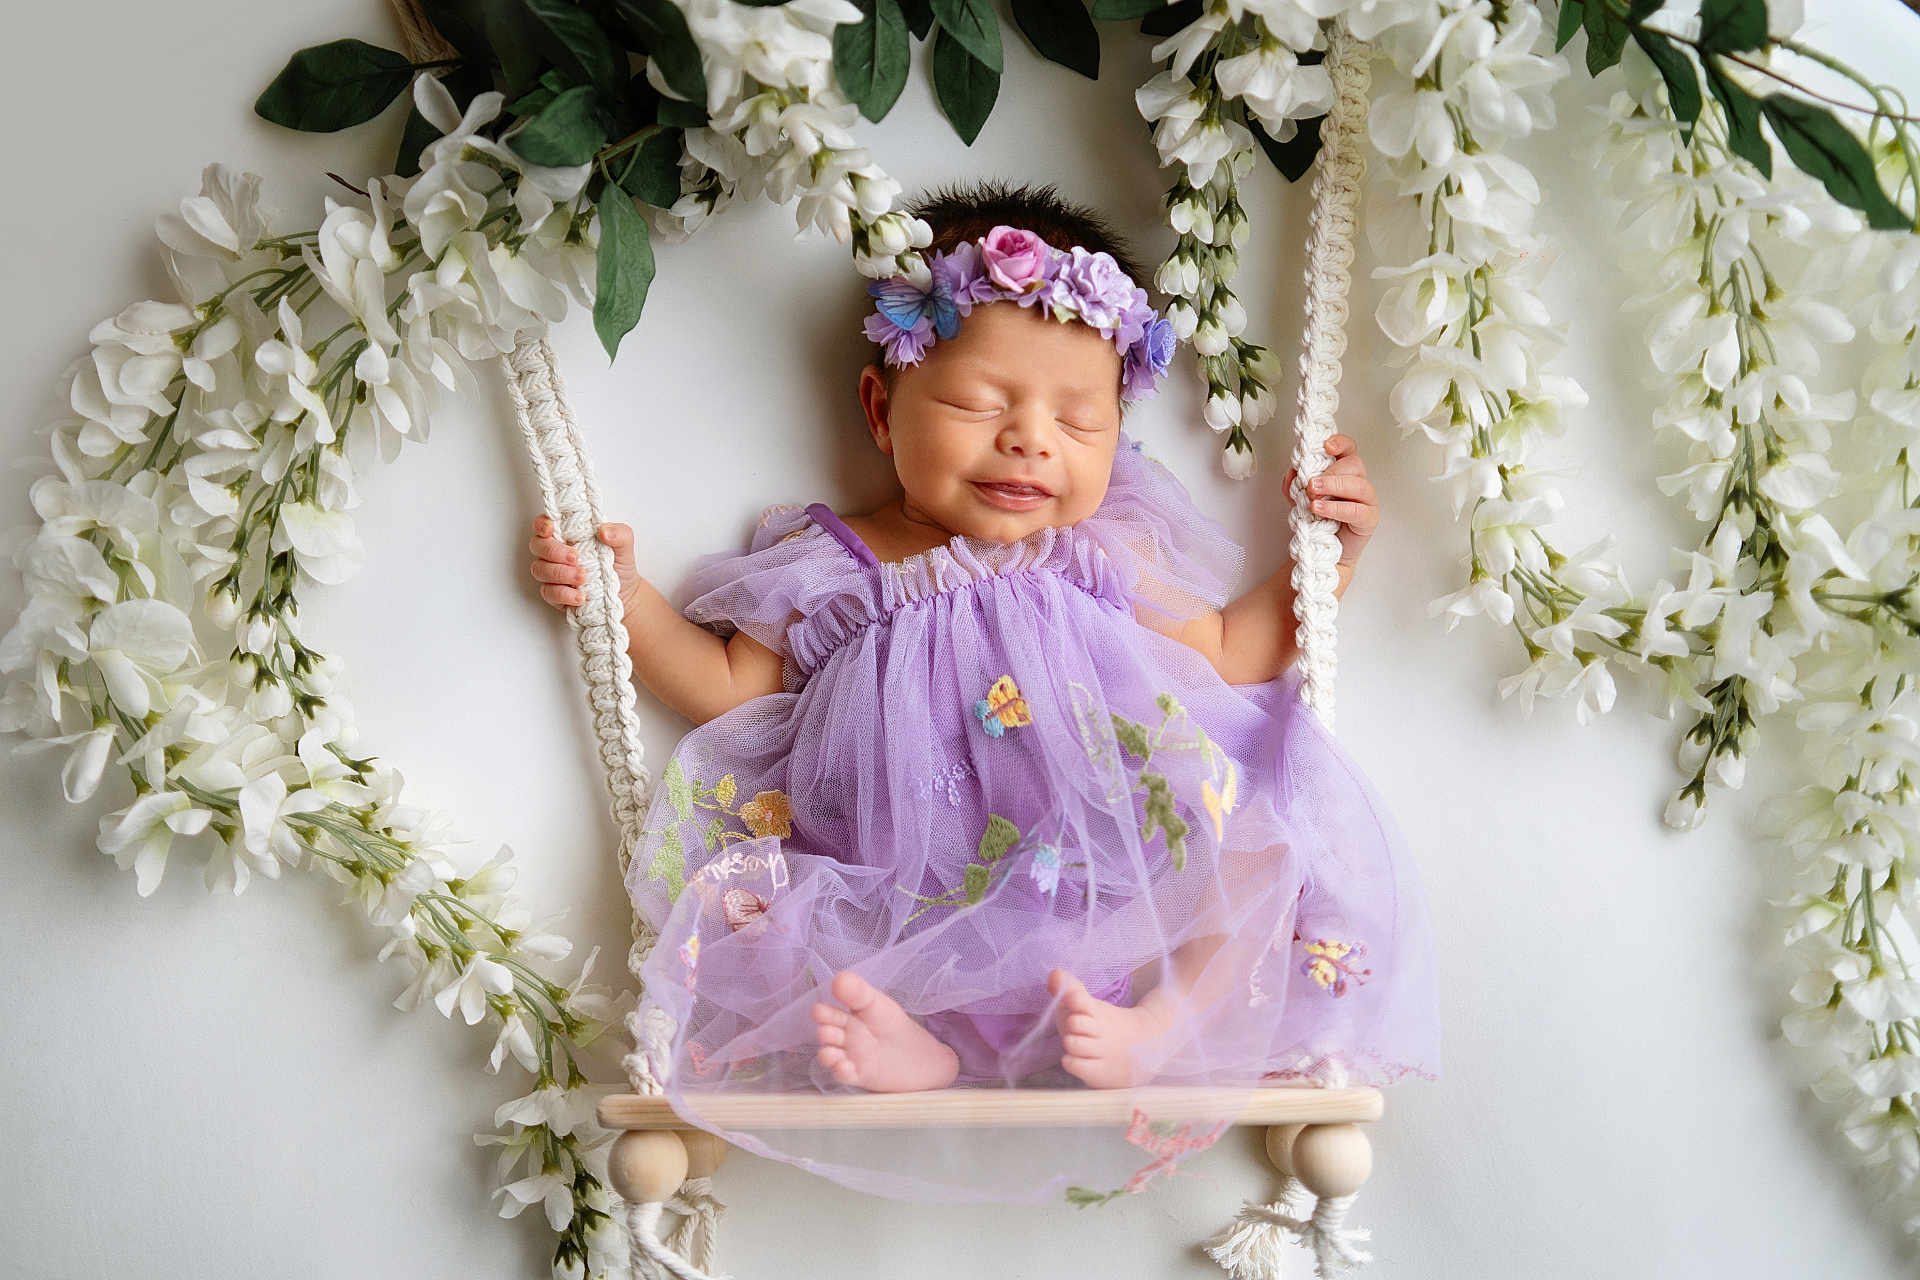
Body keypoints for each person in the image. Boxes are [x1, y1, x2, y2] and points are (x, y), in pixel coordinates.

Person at [526, 181, 1438, 1203]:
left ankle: (1160, 1024)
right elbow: (724, 683)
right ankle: (924, 1044)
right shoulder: (837, 564)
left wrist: (1329, 556)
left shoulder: (1100, 555)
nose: (1029, 440)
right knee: (767, 915)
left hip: (1104, 864)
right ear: (882, 407)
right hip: (903, 872)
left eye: (1080, 421)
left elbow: (1229, 646)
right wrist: (624, 602)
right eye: (977, 403)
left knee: (1261, 848)